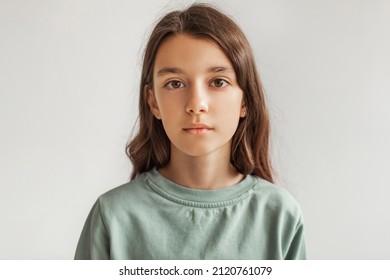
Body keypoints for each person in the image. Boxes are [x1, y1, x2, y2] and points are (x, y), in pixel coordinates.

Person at [74, 3, 306, 260]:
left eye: (218, 82)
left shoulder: (280, 216)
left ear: (245, 101)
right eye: (175, 84)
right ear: (153, 102)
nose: (196, 104)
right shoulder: (113, 217)